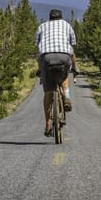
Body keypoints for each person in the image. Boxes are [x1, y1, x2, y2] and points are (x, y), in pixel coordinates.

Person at [35, 8, 78, 137]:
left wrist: (40, 69)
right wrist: (75, 69)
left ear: (49, 17)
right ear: (61, 17)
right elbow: (72, 46)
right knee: (65, 75)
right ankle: (67, 97)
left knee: (48, 92)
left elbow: (38, 47)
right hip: (64, 56)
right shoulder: (67, 25)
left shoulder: (41, 26)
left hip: (46, 58)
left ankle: (48, 123)